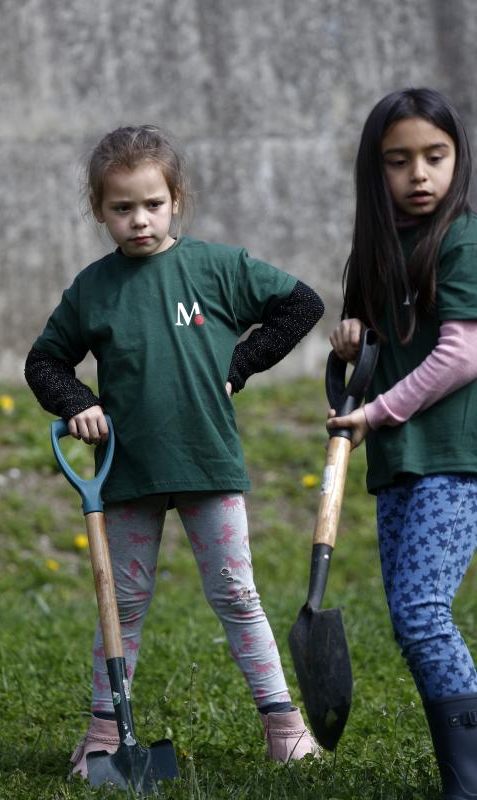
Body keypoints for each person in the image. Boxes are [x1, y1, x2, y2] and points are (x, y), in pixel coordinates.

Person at [25, 124, 324, 777]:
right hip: (126, 471)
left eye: (152, 204)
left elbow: (302, 304)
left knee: (236, 593)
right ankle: (104, 736)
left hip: (208, 461)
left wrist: (239, 365)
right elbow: (44, 363)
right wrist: (79, 404)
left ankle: (284, 727)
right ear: (99, 210)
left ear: (176, 198)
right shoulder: (92, 288)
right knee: (122, 603)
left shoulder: (218, 268)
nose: (139, 220)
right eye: (122, 207)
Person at [327, 88, 477, 799]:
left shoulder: (463, 239)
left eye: (435, 156)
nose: (419, 174)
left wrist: (376, 413)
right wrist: (356, 337)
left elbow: (462, 355)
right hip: (400, 464)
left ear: (458, 160)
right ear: (374, 169)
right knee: (409, 620)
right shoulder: (378, 252)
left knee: (421, 614)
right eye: (399, 160)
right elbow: (384, 344)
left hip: (455, 459)